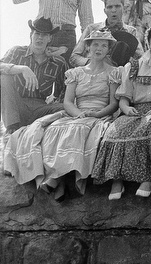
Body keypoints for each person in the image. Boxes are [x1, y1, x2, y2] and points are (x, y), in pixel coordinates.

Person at [4, 29, 119, 200]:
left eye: (104, 45)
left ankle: (57, 179)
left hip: (100, 114)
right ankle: (59, 181)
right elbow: (67, 102)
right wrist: (78, 113)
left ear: (108, 49)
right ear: (87, 47)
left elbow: (113, 103)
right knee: (52, 129)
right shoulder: (76, 72)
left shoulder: (114, 72)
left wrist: (97, 114)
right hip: (77, 113)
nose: (99, 48)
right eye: (95, 44)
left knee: (79, 130)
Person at [92, 20, 151, 200]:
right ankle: (117, 179)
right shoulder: (133, 66)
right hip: (135, 110)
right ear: (148, 41)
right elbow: (124, 97)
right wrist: (126, 109)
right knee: (115, 131)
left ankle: (147, 178)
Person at [0, 17, 66, 133]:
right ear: (31, 35)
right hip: (17, 106)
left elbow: (65, 89)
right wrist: (22, 69)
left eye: (44, 35)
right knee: (4, 76)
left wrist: (55, 100)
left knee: (67, 108)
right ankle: (12, 129)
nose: (40, 37)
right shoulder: (17, 52)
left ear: (50, 38)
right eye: (37, 33)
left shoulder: (58, 62)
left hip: (41, 108)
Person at [71, 0, 143, 68]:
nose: (114, 10)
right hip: (92, 75)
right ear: (105, 10)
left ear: (123, 9)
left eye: (117, 6)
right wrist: (91, 63)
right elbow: (74, 57)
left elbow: (141, 58)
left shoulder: (131, 31)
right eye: (110, 7)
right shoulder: (92, 29)